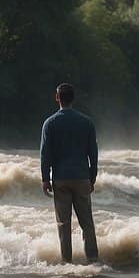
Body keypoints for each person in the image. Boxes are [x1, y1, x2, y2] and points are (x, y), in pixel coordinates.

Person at [39, 82, 99, 263]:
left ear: (57, 98)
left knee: (63, 224)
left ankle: (67, 262)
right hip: (81, 177)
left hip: (61, 179)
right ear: (73, 98)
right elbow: (93, 153)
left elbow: (45, 153)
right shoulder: (86, 122)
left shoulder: (50, 123)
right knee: (87, 223)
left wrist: (45, 178)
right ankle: (93, 261)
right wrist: (92, 177)